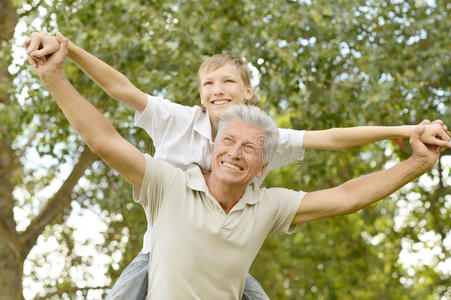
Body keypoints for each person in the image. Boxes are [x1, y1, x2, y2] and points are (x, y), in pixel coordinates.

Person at [25, 32, 450, 299]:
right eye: (207, 83)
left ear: (248, 92)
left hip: (229, 259)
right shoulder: (176, 129)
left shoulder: (266, 146)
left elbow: (336, 151)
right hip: (162, 251)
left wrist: (408, 132)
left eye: (227, 81)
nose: (216, 89)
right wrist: (67, 53)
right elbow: (117, 99)